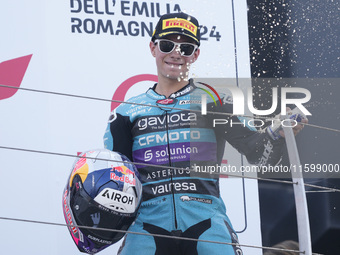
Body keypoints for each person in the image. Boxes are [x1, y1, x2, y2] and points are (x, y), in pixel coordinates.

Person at [103, 12, 307, 255]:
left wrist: (277, 133)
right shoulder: (126, 113)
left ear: (196, 54)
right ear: (153, 47)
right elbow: (114, 179)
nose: (176, 53)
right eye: (167, 45)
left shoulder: (214, 101)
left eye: (186, 48)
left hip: (207, 226)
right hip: (145, 227)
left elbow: (257, 153)